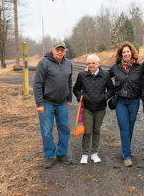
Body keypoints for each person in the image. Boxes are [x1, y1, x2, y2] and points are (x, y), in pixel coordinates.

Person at [33, 40, 73, 169]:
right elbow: (37, 84)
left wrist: (69, 99)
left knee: (64, 130)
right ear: (53, 50)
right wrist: (39, 103)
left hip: (62, 103)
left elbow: (69, 82)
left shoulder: (68, 64)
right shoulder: (44, 63)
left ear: (65, 51)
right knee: (46, 132)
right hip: (47, 103)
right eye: (57, 49)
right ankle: (49, 155)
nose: (60, 52)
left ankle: (62, 154)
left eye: (62, 50)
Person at [73, 54, 113, 164]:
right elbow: (76, 89)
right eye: (89, 63)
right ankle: (85, 154)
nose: (91, 65)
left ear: (98, 63)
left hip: (100, 108)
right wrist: (80, 97)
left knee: (96, 130)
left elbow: (111, 89)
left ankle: (94, 153)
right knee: (87, 131)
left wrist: (104, 97)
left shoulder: (105, 75)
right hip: (87, 108)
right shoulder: (82, 75)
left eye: (93, 63)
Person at [109, 42, 142, 167]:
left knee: (130, 128)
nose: (126, 54)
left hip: (134, 101)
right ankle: (127, 156)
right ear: (121, 54)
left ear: (132, 53)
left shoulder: (139, 67)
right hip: (120, 101)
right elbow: (104, 77)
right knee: (124, 127)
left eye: (128, 51)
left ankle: (125, 149)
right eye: (124, 52)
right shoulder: (116, 68)